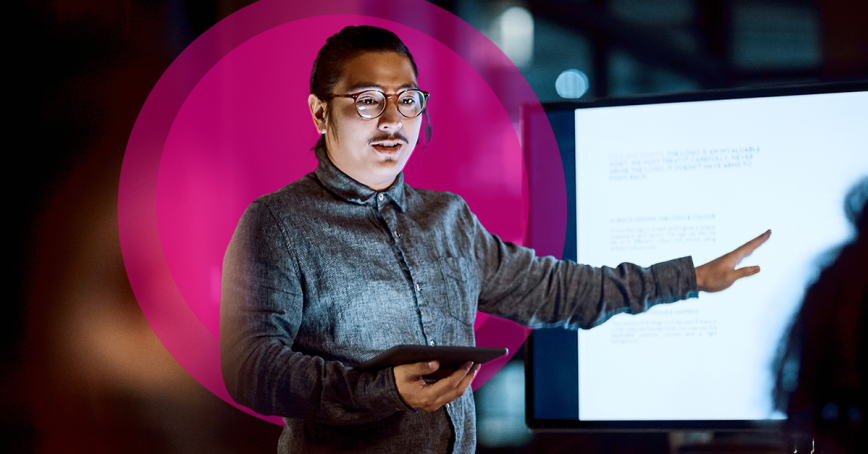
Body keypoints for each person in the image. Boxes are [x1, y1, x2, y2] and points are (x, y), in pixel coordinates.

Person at [220, 25, 770, 454]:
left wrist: (690, 278)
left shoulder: (448, 218)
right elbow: (251, 368)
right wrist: (383, 390)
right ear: (320, 112)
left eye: (407, 99)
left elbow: (554, 290)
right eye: (368, 100)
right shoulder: (277, 223)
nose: (392, 120)